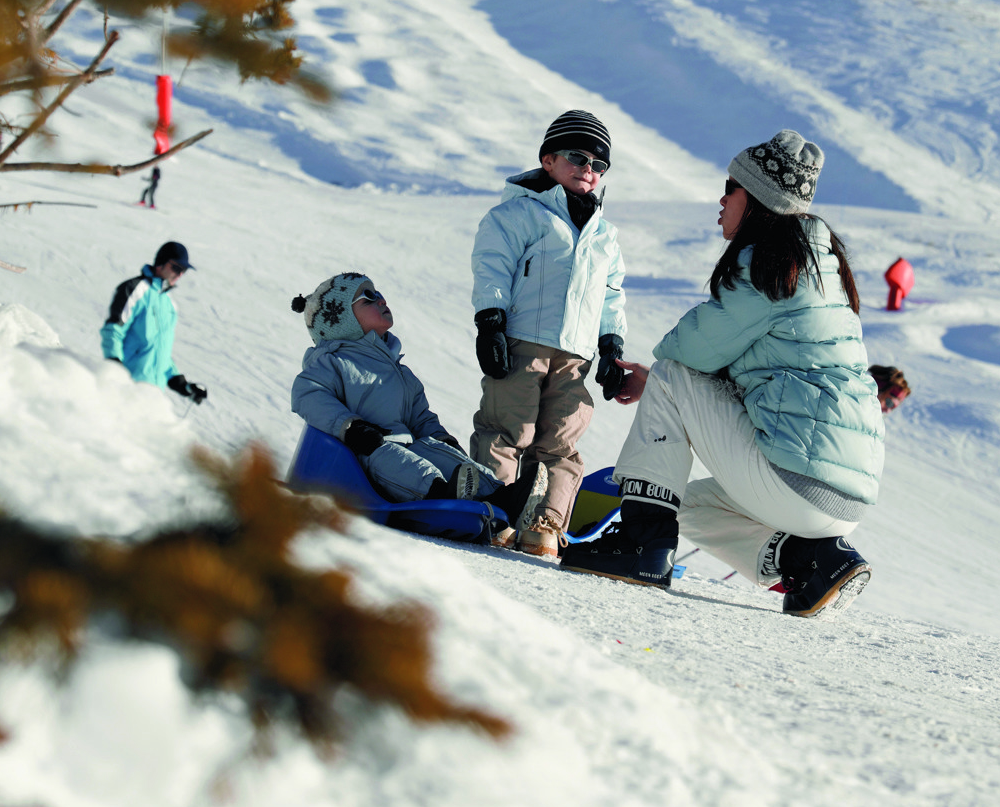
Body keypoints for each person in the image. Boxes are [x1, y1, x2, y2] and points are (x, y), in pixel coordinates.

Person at [560, 130, 885, 619]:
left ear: (756, 201)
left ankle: (642, 549)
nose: (721, 198)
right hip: (844, 499)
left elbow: (686, 351)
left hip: (798, 480)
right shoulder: (820, 269)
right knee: (685, 507)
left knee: (671, 372)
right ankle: (812, 561)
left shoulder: (771, 266)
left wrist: (658, 381)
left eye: (731, 187)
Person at [469, 110, 628, 559]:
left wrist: (611, 344)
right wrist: (491, 323)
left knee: (560, 439)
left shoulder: (605, 235)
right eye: (578, 158)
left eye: (599, 165)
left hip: (575, 355)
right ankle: (493, 512)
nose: (589, 170)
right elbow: (492, 267)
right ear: (548, 159)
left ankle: (545, 522)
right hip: (522, 341)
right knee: (507, 428)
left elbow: (611, 293)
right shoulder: (519, 213)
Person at [291, 273, 547, 528]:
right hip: (361, 454)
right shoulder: (333, 361)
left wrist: (443, 440)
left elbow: (420, 417)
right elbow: (307, 393)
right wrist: (350, 427)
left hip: (408, 447)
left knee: (435, 451)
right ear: (342, 319)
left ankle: (503, 497)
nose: (381, 300)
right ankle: (443, 495)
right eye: (368, 298)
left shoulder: (400, 372)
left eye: (378, 293)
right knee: (392, 457)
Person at [101, 240, 207, 404]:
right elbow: (113, 331)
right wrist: (115, 369)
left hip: (152, 395)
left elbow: (159, 350)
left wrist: (182, 384)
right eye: (176, 268)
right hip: (126, 390)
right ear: (161, 263)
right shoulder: (135, 289)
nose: (179, 275)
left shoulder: (170, 305)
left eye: (183, 270)